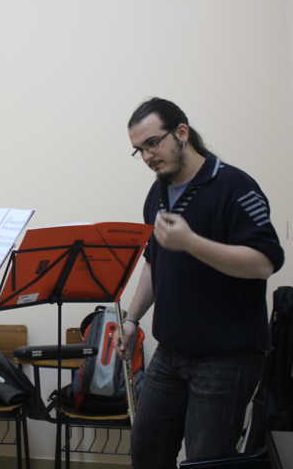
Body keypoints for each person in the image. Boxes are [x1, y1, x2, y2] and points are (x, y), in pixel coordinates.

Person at [118, 97, 285, 467]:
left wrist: (191, 242)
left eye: (153, 143)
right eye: (138, 150)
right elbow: (154, 262)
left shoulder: (235, 186)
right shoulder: (158, 192)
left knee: (205, 461)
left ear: (182, 132)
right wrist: (131, 320)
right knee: (146, 452)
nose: (147, 156)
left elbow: (265, 263)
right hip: (171, 352)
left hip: (225, 360)